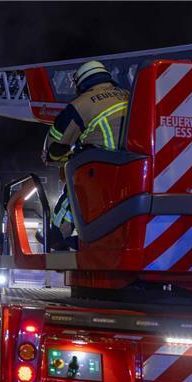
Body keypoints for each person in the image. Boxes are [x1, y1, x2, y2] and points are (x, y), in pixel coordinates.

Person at [40, 60, 130, 251]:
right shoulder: (129, 95)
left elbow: (57, 140)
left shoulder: (82, 103)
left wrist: (51, 157)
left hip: (102, 163)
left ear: (81, 82)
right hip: (133, 165)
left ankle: (57, 234)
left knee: (73, 190)